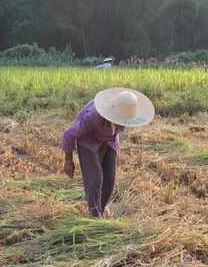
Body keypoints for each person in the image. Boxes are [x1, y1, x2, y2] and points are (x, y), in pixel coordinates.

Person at [60, 88, 154, 217]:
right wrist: (68, 161)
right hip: (88, 140)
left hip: (109, 139)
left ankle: (101, 210)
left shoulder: (124, 116)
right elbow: (69, 135)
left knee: (110, 178)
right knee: (95, 179)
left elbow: (115, 132)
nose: (124, 124)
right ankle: (94, 215)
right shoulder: (93, 117)